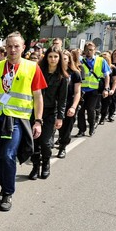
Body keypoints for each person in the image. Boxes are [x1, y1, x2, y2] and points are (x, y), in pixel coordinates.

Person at [0, 32, 46, 212]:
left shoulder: (32, 67)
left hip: (18, 119)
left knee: (8, 155)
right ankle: (3, 187)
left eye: (16, 46)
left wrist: (37, 121)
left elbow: (38, 97)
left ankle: (8, 193)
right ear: (5, 48)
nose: (12, 49)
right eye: (9, 46)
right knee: (1, 156)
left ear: (23, 48)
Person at [29, 46, 67, 180]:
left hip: (51, 112)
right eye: (50, 56)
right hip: (35, 111)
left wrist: (60, 117)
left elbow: (62, 99)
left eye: (56, 57)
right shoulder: (38, 71)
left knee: (45, 142)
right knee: (34, 141)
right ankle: (35, 167)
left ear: (60, 58)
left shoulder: (63, 77)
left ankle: (46, 164)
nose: (53, 59)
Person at [75, 42, 111, 138]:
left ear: (94, 50)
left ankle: (91, 127)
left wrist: (106, 88)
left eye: (91, 50)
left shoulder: (101, 60)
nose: (89, 52)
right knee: (80, 110)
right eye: (87, 50)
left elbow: (107, 75)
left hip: (93, 90)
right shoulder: (80, 60)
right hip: (81, 90)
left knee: (90, 109)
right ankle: (81, 129)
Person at [56, 50, 81, 159]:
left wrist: (73, 107)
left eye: (65, 59)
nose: (63, 61)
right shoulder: (54, 72)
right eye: (61, 58)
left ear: (69, 60)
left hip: (68, 104)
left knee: (66, 129)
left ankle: (62, 147)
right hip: (54, 104)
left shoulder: (75, 73)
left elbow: (77, 92)